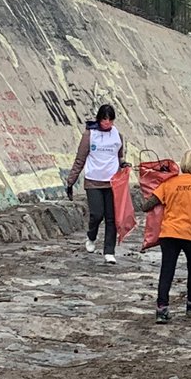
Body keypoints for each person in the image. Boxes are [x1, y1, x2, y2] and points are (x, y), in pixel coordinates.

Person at [142, 150, 191, 323]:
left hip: (169, 232)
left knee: (167, 269)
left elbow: (148, 204)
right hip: (190, 232)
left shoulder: (169, 183)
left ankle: (162, 308)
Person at [66, 104, 126, 264]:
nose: (107, 123)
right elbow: (80, 159)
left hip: (112, 182)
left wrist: (124, 165)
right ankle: (91, 236)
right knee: (97, 214)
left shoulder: (117, 136)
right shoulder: (89, 135)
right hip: (93, 181)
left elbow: (119, 157)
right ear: (99, 119)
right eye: (104, 120)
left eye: (110, 120)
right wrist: (71, 181)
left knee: (111, 218)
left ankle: (109, 251)